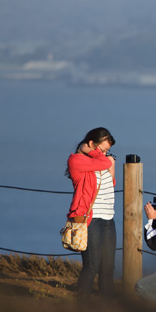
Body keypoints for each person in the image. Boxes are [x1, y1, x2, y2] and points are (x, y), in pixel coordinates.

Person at [66, 127, 117, 298]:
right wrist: (87, 149)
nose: (104, 154)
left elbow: (109, 185)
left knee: (108, 267)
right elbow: (103, 163)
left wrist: (111, 169)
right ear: (91, 144)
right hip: (91, 219)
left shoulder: (99, 160)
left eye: (107, 151)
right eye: (102, 149)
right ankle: (82, 300)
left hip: (109, 219)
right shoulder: (77, 160)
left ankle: (107, 302)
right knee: (92, 265)